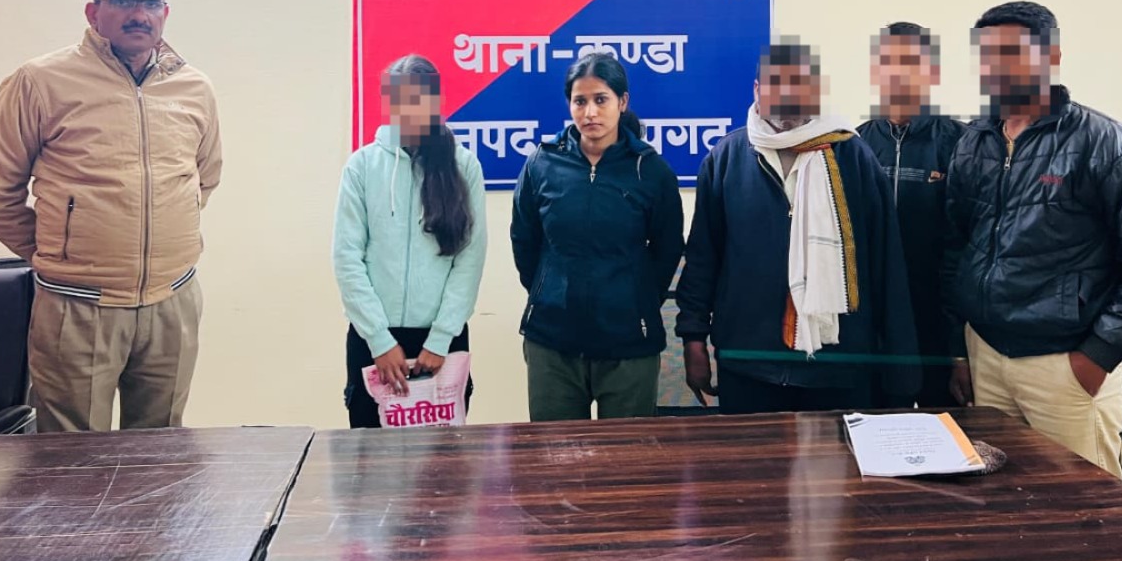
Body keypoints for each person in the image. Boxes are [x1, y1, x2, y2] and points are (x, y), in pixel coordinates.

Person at [0, 0, 222, 432]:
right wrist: (59, 250)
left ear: (165, 13)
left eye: (151, 3)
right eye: (122, 1)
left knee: (160, 452)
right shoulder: (41, 81)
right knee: (71, 457)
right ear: (93, 11)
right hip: (77, 307)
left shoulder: (193, 87)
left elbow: (204, 177)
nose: (139, 15)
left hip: (172, 302)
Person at [945, 1, 1122, 477]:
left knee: (1084, 508)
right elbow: (955, 249)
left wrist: (1096, 356)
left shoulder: (1104, 144)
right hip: (986, 357)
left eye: (1013, 53)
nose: (997, 68)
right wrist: (960, 349)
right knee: (1001, 503)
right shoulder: (974, 142)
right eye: (987, 55)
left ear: (1051, 56)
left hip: (1065, 366)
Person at [677, 39, 918, 414]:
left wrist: (900, 369)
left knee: (836, 456)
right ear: (757, 90)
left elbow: (886, 265)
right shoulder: (726, 159)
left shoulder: (853, 157)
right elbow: (703, 259)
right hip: (748, 363)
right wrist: (693, 339)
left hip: (838, 365)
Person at [510, 52, 684, 422]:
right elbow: (524, 240)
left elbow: (668, 248)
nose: (590, 112)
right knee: (554, 453)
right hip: (552, 342)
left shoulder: (651, 171)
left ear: (622, 102)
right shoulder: (542, 163)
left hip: (629, 344)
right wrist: (548, 290)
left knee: (626, 455)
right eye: (580, 101)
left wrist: (636, 301)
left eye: (601, 99)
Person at [333, 55, 487, 428]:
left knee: (442, 459)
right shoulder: (362, 166)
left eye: (417, 100)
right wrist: (379, 341)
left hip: (441, 342)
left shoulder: (463, 166)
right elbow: (347, 258)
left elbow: (469, 258)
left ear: (436, 102)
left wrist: (440, 339)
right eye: (397, 101)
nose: (407, 111)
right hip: (374, 342)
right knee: (370, 458)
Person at [857, 22, 966, 406]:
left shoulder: (962, 142)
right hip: (875, 325)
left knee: (948, 429)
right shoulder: (855, 144)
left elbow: (970, 242)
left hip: (938, 321)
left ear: (931, 72)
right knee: (873, 430)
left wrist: (960, 351)